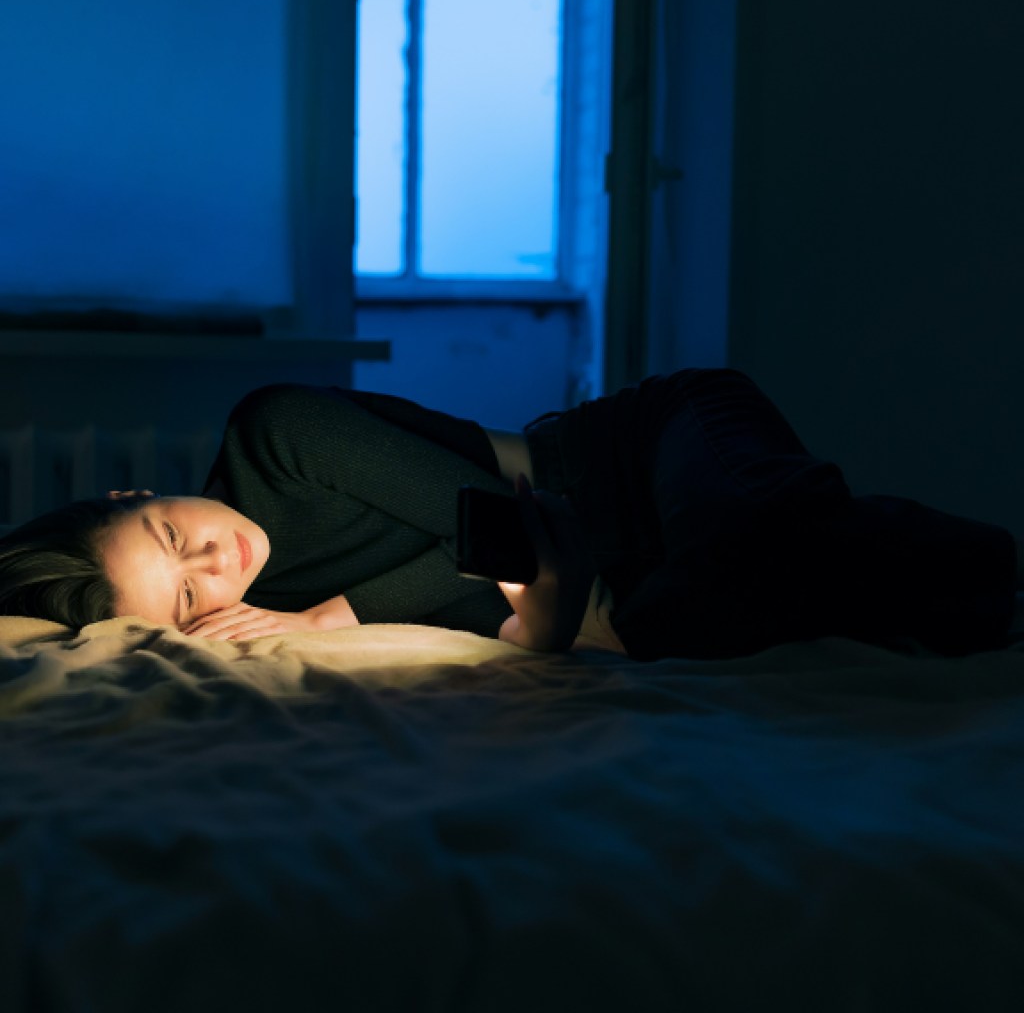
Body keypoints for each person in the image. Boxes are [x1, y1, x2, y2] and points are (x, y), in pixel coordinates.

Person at [0, 368, 1019, 660]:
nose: (216, 562)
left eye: (173, 537)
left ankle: (1002, 573)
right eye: (189, 597)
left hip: (644, 445)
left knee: (746, 529)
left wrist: (324, 618)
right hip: (634, 556)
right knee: (685, 621)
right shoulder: (257, 613)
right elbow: (515, 598)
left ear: (135, 493)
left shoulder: (275, 433)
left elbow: (504, 527)